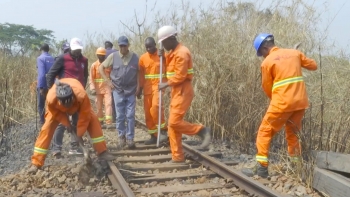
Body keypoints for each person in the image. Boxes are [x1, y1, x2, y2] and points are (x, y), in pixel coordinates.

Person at [241, 33, 317, 178]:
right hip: (300, 102)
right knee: (293, 133)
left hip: (282, 103)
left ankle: (262, 168)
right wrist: (297, 54)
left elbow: (267, 87)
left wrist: (276, 101)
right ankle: (296, 167)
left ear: (264, 49)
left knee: (264, 132)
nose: (262, 56)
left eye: (261, 53)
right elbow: (313, 66)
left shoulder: (267, 62)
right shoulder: (295, 53)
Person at [27, 78, 115, 174]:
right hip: (58, 109)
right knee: (46, 128)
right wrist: (67, 124)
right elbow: (56, 113)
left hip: (78, 104)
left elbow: (85, 117)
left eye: (69, 102)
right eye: (66, 104)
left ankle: (102, 152)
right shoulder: (51, 98)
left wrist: (79, 133)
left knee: (93, 120)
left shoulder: (81, 95)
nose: (68, 106)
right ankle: (36, 162)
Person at [157, 26, 211, 163]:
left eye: (163, 42)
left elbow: (180, 76)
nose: (163, 45)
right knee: (172, 126)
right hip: (177, 91)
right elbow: (171, 67)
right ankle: (177, 157)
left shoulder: (182, 53)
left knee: (174, 122)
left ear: (171, 39)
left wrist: (166, 84)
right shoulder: (174, 52)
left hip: (183, 90)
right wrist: (162, 55)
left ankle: (201, 130)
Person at [46, 37, 89, 157]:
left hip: (77, 97)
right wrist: (52, 91)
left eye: (79, 50)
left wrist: (82, 88)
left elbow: (85, 75)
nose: (77, 52)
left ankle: (74, 147)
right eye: (75, 50)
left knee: (76, 121)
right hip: (63, 95)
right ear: (70, 48)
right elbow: (50, 75)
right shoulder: (62, 59)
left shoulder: (84, 60)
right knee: (61, 122)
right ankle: (57, 148)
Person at [99, 36, 140, 149]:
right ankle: (121, 137)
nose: (123, 48)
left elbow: (138, 72)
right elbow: (101, 68)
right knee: (120, 116)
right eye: (121, 46)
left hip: (131, 90)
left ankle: (130, 138)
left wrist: (138, 86)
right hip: (118, 90)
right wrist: (108, 82)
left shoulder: (135, 57)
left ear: (128, 45)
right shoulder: (113, 56)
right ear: (119, 46)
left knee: (130, 115)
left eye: (124, 46)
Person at [138, 37, 168, 145]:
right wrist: (139, 89)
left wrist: (163, 57)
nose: (149, 48)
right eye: (147, 47)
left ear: (155, 44)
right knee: (148, 113)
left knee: (156, 108)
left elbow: (169, 66)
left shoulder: (161, 55)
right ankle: (153, 136)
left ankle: (163, 131)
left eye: (150, 46)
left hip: (158, 87)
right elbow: (141, 75)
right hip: (147, 89)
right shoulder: (142, 58)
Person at [89, 47, 113, 129]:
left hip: (107, 88)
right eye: (99, 55)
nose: (101, 57)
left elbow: (112, 75)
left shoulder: (108, 64)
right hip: (98, 88)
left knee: (108, 104)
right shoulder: (94, 65)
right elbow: (91, 78)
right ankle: (100, 121)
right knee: (98, 105)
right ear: (97, 55)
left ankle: (108, 122)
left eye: (102, 55)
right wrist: (92, 88)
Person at [36, 43, 55, 125]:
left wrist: (41, 87)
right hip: (52, 84)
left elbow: (42, 74)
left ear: (41, 49)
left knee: (41, 104)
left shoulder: (40, 58)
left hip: (43, 84)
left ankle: (42, 121)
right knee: (51, 103)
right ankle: (51, 120)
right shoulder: (52, 58)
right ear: (48, 50)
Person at [104, 41, 118, 123]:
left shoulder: (103, 52)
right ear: (112, 46)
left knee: (110, 99)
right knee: (116, 98)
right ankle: (117, 116)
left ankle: (114, 116)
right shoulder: (116, 52)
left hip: (107, 78)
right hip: (116, 77)